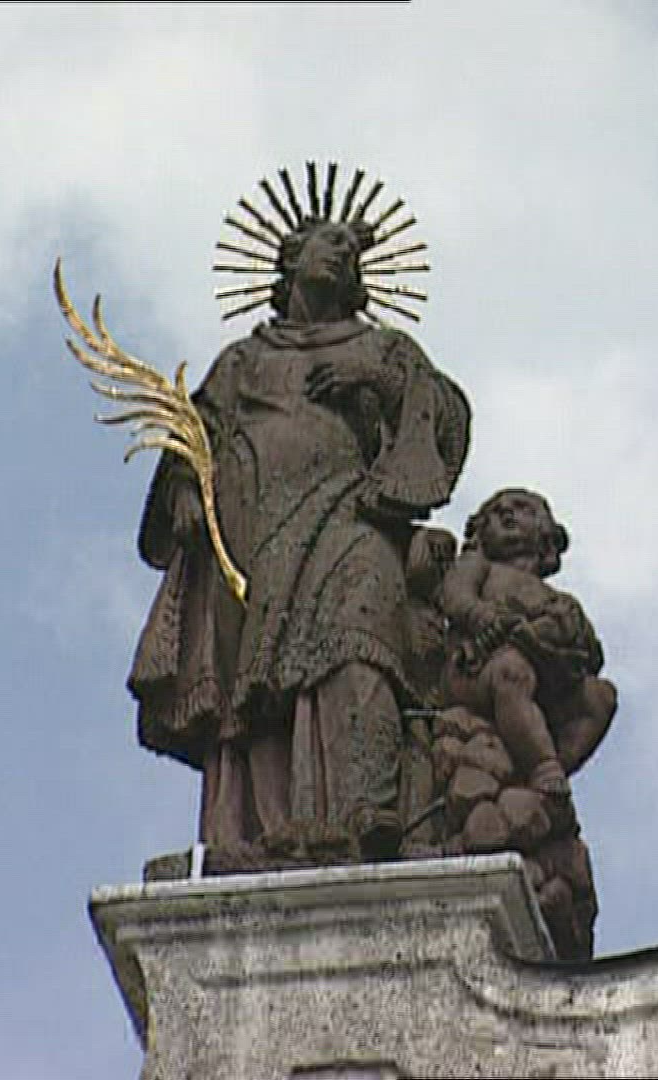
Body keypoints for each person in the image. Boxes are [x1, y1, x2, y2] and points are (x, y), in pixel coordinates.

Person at [128, 215, 470, 867]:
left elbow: (445, 423)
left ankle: (363, 812)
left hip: (352, 513)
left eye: (352, 251)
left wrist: (376, 382)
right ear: (290, 261)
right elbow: (194, 434)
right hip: (250, 534)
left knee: (360, 641)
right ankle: (256, 832)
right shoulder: (244, 360)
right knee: (256, 685)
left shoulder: (383, 350)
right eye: (330, 242)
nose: (343, 254)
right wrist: (183, 491)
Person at [439, 488, 616, 797]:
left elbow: (591, 653)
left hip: (547, 683)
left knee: (599, 697)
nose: (507, 513)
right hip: (475, 669)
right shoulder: (478, 565)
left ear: (545, 531)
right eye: (496, 512)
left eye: (521, 507)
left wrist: (567, 634)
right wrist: (486, 618)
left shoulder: (560, 600)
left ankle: (548, 770)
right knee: (512, 670)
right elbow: (454, 597)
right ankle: (542, 766)